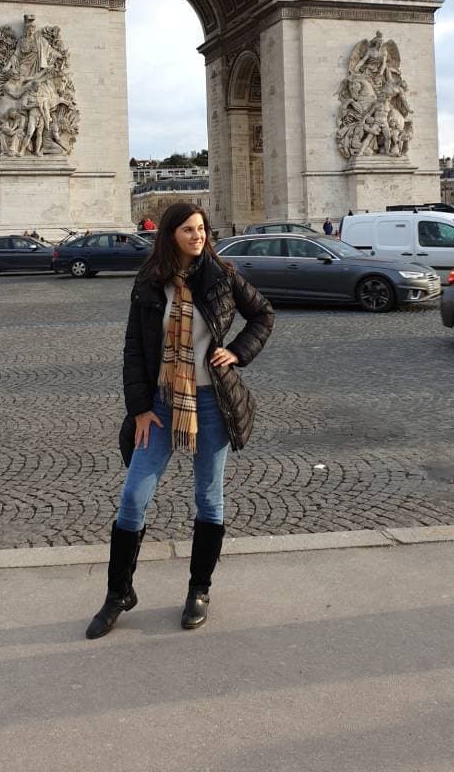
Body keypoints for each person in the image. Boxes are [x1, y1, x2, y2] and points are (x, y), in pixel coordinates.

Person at [85, 201, 274, 639]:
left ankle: (199, 591)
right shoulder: (150, 283)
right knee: (133, 497)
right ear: (170, 234)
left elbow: (263, 313)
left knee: (209, 499)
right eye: (188, 229)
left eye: (202, 228)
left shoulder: (222, 276)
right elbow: (134, 350)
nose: (198, 236)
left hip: (212, 403)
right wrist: (140, 409)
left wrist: (238, 352)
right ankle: (119, 593)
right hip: (160, 404)